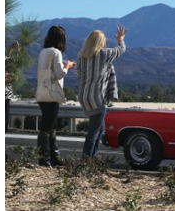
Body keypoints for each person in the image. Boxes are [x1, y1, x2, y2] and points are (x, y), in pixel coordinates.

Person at [78, 26, 127, 158]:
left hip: (84, 96)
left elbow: (79, 76)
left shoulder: (82, 57)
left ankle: (94, 156)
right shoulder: (104, 54)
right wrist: (120, 39)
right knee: (93, 131)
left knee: (100, 127)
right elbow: (120, 50)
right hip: (97, 97)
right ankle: (86, 158)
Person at [36, 26, 75, 166]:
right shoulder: (56, 52)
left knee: (51, 127)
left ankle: (53, 158)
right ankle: (45, 159)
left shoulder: (43, 52)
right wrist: (68, 66)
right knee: (47, 128)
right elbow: (60, 74)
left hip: (43, 92)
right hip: (52, 95)